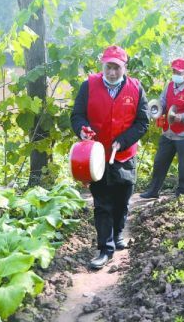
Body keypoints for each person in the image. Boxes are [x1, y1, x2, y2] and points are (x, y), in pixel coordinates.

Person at [71, 45, 149, 269]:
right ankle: (105, 249)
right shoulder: (89, 85)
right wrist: (82, 129)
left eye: (116, 67)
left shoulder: (136, 88)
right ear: (102, 66)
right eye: (108, 67)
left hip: (124, 155)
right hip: (96, 157)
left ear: (125, 67)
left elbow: (142, 122)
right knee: (102, 203)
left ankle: (116, 235)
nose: (112, 72)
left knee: (122, 200)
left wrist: (123, 140)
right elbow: (77, 116)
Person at [140, 59, 184, 199]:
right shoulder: (169, 86)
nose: (176, 74)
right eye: (174, 71)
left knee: (183, 167)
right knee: (159, 163)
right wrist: (156, 109)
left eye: (179, 72)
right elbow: (162, 102)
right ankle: (153, 191)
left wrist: (182, 117)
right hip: (168, 133)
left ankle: (182, 194)